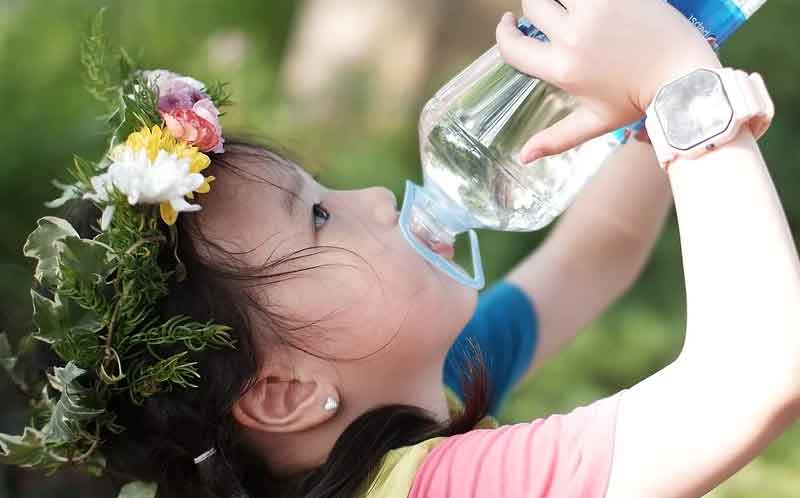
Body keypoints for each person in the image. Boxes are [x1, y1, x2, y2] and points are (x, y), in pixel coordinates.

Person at [2, 1, 797, 498]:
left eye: (325, 184)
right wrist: (678, 84)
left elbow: (600, 250)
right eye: (317, 217)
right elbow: (759, 375)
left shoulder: (419, 393)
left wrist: (649, 78)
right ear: (282, 393)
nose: (376, 199)